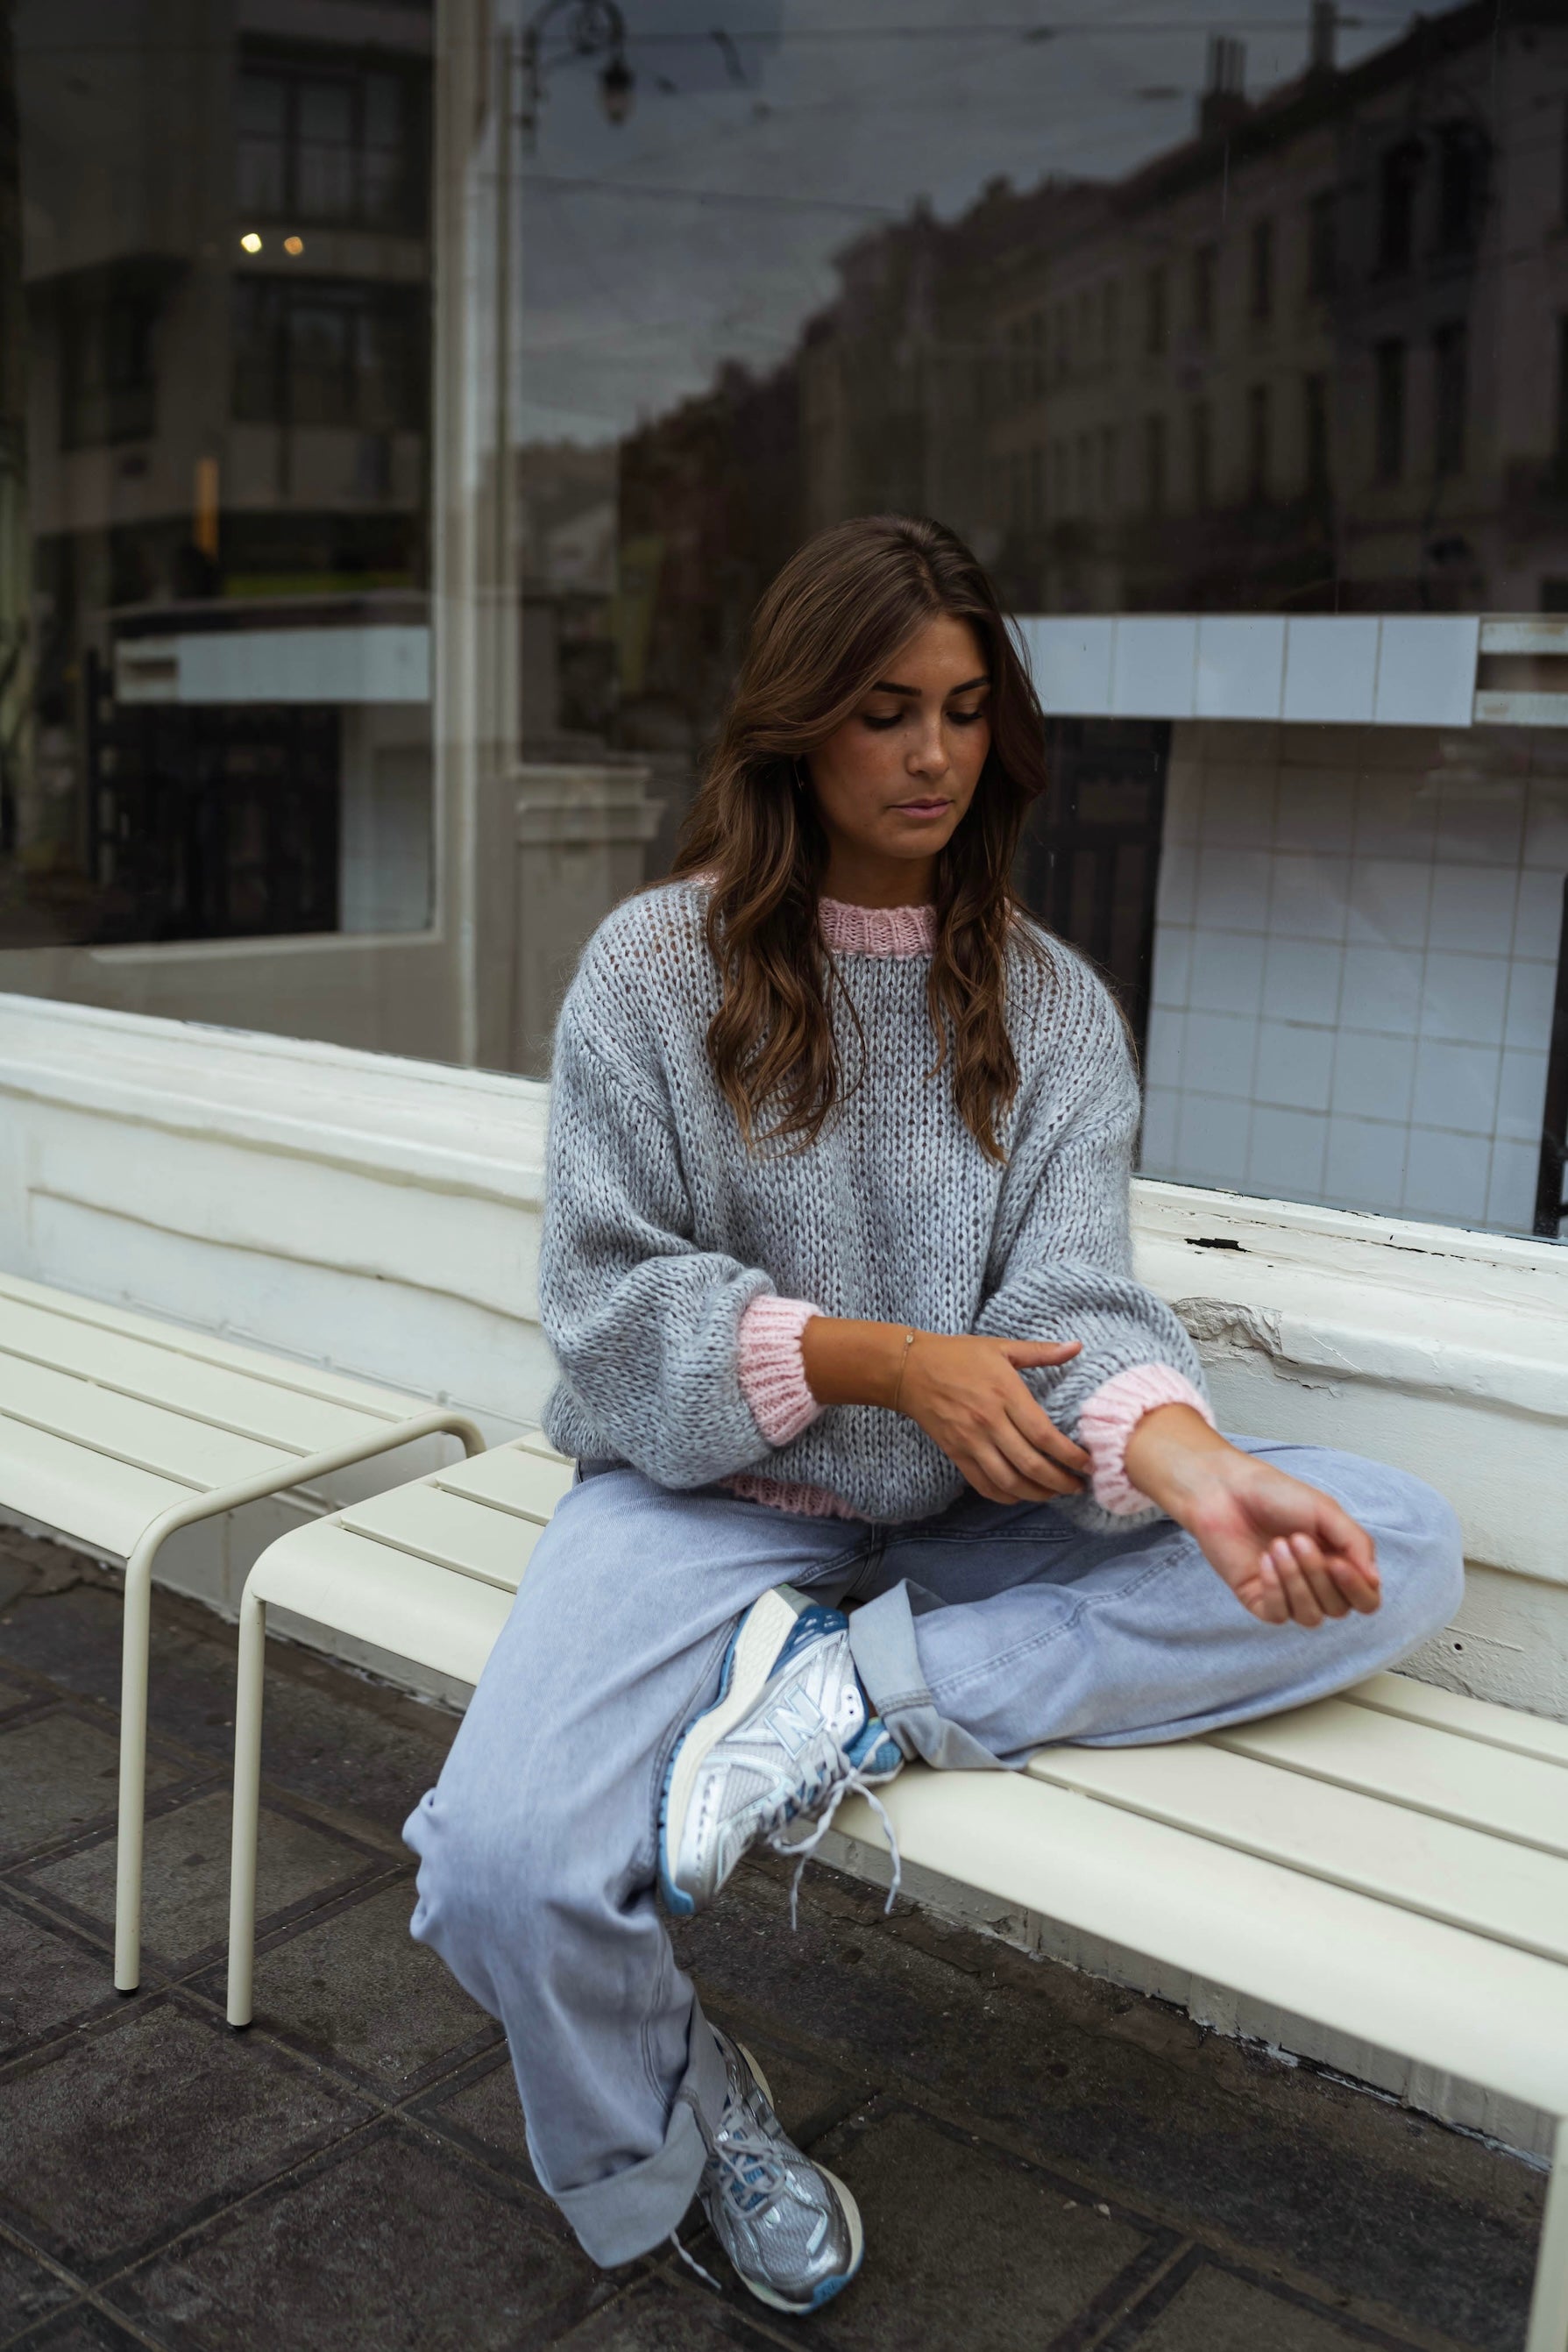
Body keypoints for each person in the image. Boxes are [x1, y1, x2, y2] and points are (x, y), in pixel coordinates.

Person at [405, 515, 1463, 2316]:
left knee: (1399, 1544)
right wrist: (885, 1361)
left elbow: (1073, 1308)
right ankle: (677, 2123)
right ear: (797, 720)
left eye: (966, 711)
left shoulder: (1048, 1007)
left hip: (975, 1524)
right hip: (708, 1498)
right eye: (885, 709)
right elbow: (607, 1309)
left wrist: (1195, 1466)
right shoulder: (654, 971)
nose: (932, 755)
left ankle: (857, 1700)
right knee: (499, 1869)